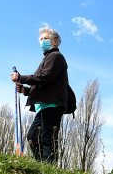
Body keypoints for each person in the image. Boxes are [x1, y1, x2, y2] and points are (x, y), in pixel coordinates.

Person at [10, 27, 70, 163]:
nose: (42, 41)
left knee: (47, 138)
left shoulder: (56, 57)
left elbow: (45, 78)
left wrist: (20, 77)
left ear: (54, 41)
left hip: (53, 104)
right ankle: (42, 166)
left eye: (46, 38)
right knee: (32, 136)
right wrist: (25, 90)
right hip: (44, 105)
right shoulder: (47, 58)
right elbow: (41, 84)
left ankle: (49, 169)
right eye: (41, 39)